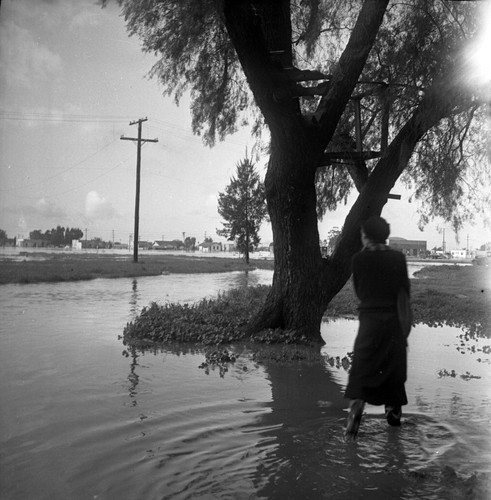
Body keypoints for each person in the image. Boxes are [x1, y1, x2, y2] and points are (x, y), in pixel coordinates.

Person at [344, 216, 411, 440]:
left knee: (360, 378)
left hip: (369, 326)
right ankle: (394, 434)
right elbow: (403, 297)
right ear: (385, 236)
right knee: (393, 379)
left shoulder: (358, 260)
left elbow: (360, 293)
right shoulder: (398, 258)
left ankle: (354, 421)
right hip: (393, 326)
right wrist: (405, 332)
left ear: (366, 236)